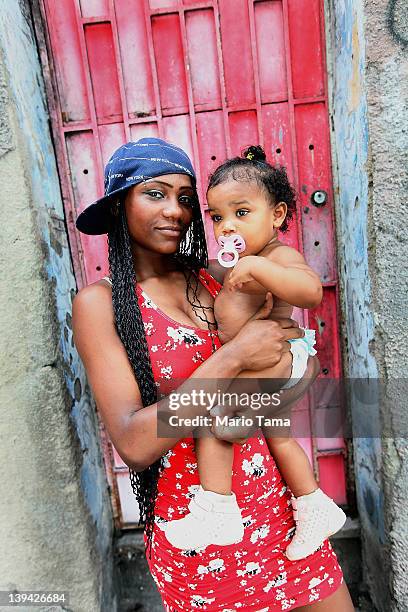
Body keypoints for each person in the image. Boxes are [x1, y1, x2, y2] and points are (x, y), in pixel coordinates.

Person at [72, 137, 354, 610]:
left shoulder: (216, 276)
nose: (176, 211)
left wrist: (283, 371)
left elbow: (302, 366)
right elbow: (135, 443)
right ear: (119, 206)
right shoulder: (99, 305)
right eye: (156, 194)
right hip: (202, 532)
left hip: (279, 511)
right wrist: (234, 356)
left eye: (185, 198)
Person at [162, 146, 346, 562]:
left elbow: (311, 292)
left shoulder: (278, 257)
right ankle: (315, 505)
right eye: (218, 217)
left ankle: (217, 509)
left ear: (277, 215)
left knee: (214, 419)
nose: (228, 226)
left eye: (241, 213)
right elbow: (203, 273)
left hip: (278, 359)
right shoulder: (236, 260)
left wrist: (261, 271)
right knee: (280, 438)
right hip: (262, 363)